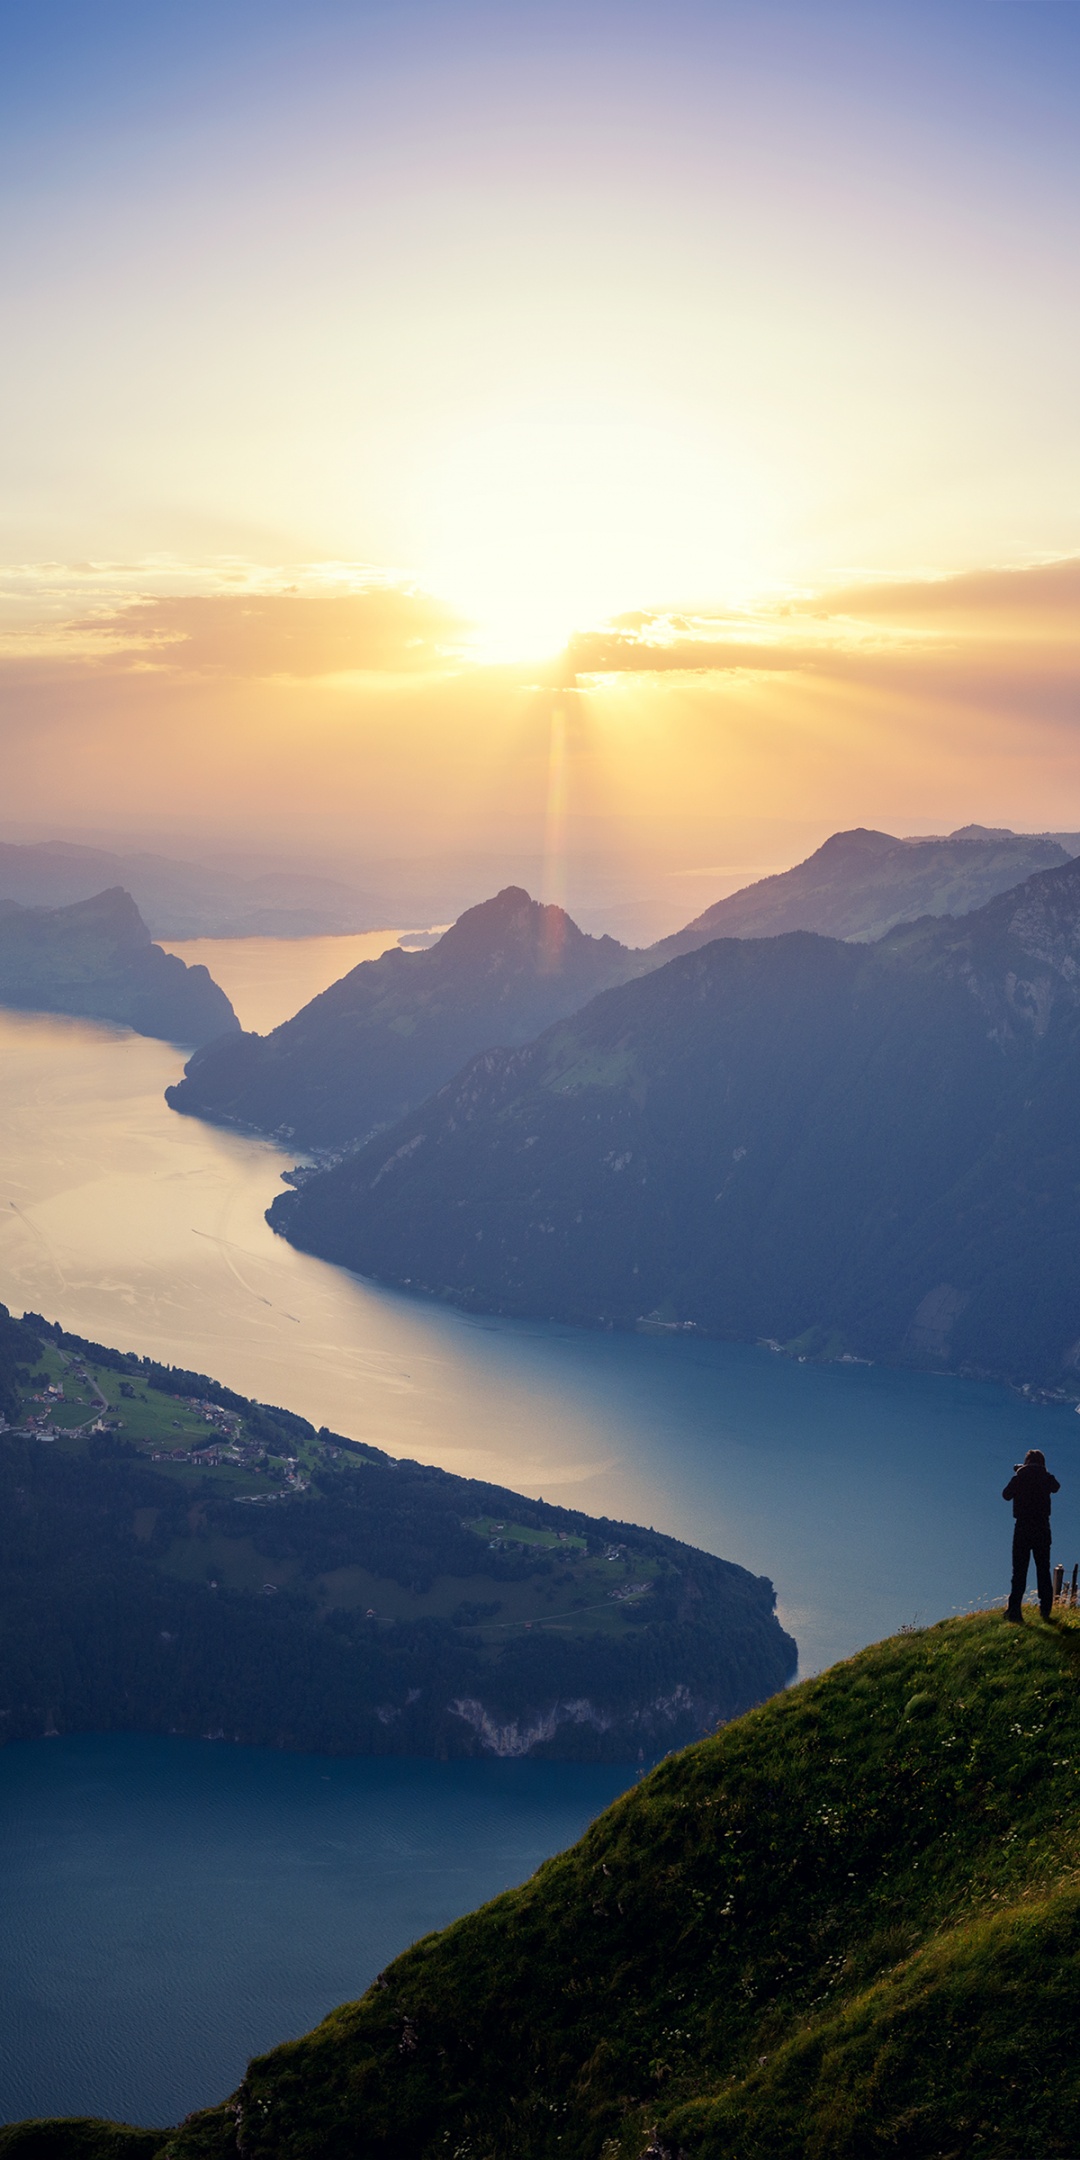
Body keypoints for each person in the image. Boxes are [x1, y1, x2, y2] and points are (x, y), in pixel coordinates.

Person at [1003, 1448, 1060, 1621]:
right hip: (1042, 1527)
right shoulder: (1046, 1477)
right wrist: (1041, 1473)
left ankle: (1014, 1611)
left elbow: (1006, 1495)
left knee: (1019, 1570)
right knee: (1043, 1569)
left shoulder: (1019, 1476)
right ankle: (1045, 1611)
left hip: (1022, 1527)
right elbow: (1056, 1487)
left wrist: (1022, 1472)